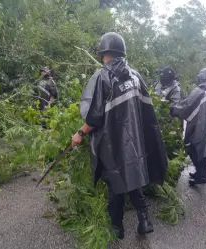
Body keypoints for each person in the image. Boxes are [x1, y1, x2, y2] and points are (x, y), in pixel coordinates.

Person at [71, 32, 168, 239]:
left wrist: (80, 133)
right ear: (121, 52)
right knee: (131, 176)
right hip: (135, 142)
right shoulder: (135, 75)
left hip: (111, 142)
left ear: (103, 52)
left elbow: (94, 115)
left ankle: (117, 227)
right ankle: (144, 220)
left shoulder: (102, 76)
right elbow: (146, 112)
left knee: (115, 181)